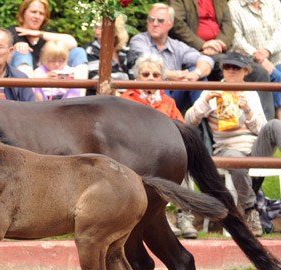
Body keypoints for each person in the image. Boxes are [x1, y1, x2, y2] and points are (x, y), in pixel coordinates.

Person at [185, 51, 281, 237]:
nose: (230, 71)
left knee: (275, 124)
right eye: (227, 67)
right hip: (227, 149)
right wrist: (205, 102)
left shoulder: (250, 92)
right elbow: (189, 121)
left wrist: (248, 111)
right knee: (236, 159)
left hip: (255, 147)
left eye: (235, 68)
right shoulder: (212, 91)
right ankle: (250, 209)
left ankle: (251, 207)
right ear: (222, 70)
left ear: (245, 71)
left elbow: (262, 128)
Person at [120, 53, 196, 238]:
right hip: (134, 154)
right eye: (145, 75)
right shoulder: (124, 99)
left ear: (161, 78)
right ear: (137, 77)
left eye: (155, 75)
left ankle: (185, 216)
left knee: (184, 166)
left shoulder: (168, 101)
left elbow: (181, 127)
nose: (150, 79)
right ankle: (161, 218)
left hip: (164, 154)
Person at [168, 0, 276, 120]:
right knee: (229, 67)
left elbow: (229, 26)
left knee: (260, 72)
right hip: (198, 53)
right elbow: (177, 24)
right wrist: (203, 45)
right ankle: (226, 127)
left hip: (223, 51)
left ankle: (266, 126)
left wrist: (220, 44)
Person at [129, 3, 214, 112]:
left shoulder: (177, 45)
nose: (155, 24)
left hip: (174, 97)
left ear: (170, 24)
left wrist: (195, 74)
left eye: (160, 20)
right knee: (157, 80)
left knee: (199, 77)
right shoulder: (139, 41)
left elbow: (206, 60)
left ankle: (205, 124)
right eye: (151, 19)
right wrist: (171, 75)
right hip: (148, 98)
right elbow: (148, 66)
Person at [228, 0, 281, 120]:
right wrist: (259, 57)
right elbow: (237, 39)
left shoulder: (274, 3)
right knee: (277, 77)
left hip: (277, 56)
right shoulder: (233, 6)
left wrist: (267, 50)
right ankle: (276, 124)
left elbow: (280, 31)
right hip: (251, 59)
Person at [7, 0, 87, 78]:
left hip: (50, 84)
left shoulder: (47, 36)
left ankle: (79, 89)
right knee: (22, 52)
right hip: (26, 82)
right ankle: (28, 89)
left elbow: (72, 43)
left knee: (78, 52)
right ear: (23, 12)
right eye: (33, 12)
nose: (37, 16)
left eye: (41, 13)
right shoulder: (10, 33)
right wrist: (15, 49)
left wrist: (39, 33)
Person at [86, 15, 131, 85]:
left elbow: (136, 76)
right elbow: (97, 79)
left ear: (115, 31)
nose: (97, 33)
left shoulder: (124, 51)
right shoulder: (91, 51)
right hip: (107, 94)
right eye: (96, 28)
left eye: (101, 29)